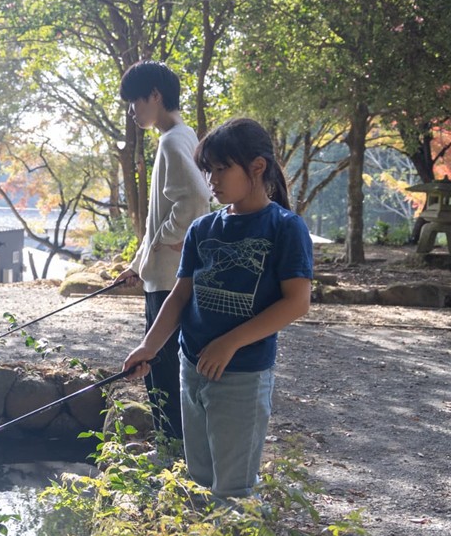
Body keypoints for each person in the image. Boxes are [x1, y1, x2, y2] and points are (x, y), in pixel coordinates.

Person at [123, 117, 313, 499]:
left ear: (257, 167)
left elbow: (297, 302)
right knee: (200, 475)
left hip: (242, 374)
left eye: (222, 168)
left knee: (234, 486)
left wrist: (230, 343)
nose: (212, 180)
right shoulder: (202, 229)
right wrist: (150, 346)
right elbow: (178, 297)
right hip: (190, 366)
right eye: (208, 170)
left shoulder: (285, 228)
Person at [115, 62, 212, 440]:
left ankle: (172, 452)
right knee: (169, 367)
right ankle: (179, 451)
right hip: (164, 274)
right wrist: (139, 264)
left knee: (159, 368)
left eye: (134, 102)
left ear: (154, 95)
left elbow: (195, 199)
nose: (132, 111)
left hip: (168, 280)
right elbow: (162, 215)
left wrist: (173, 238)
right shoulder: (183, 135)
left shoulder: (172, 141)